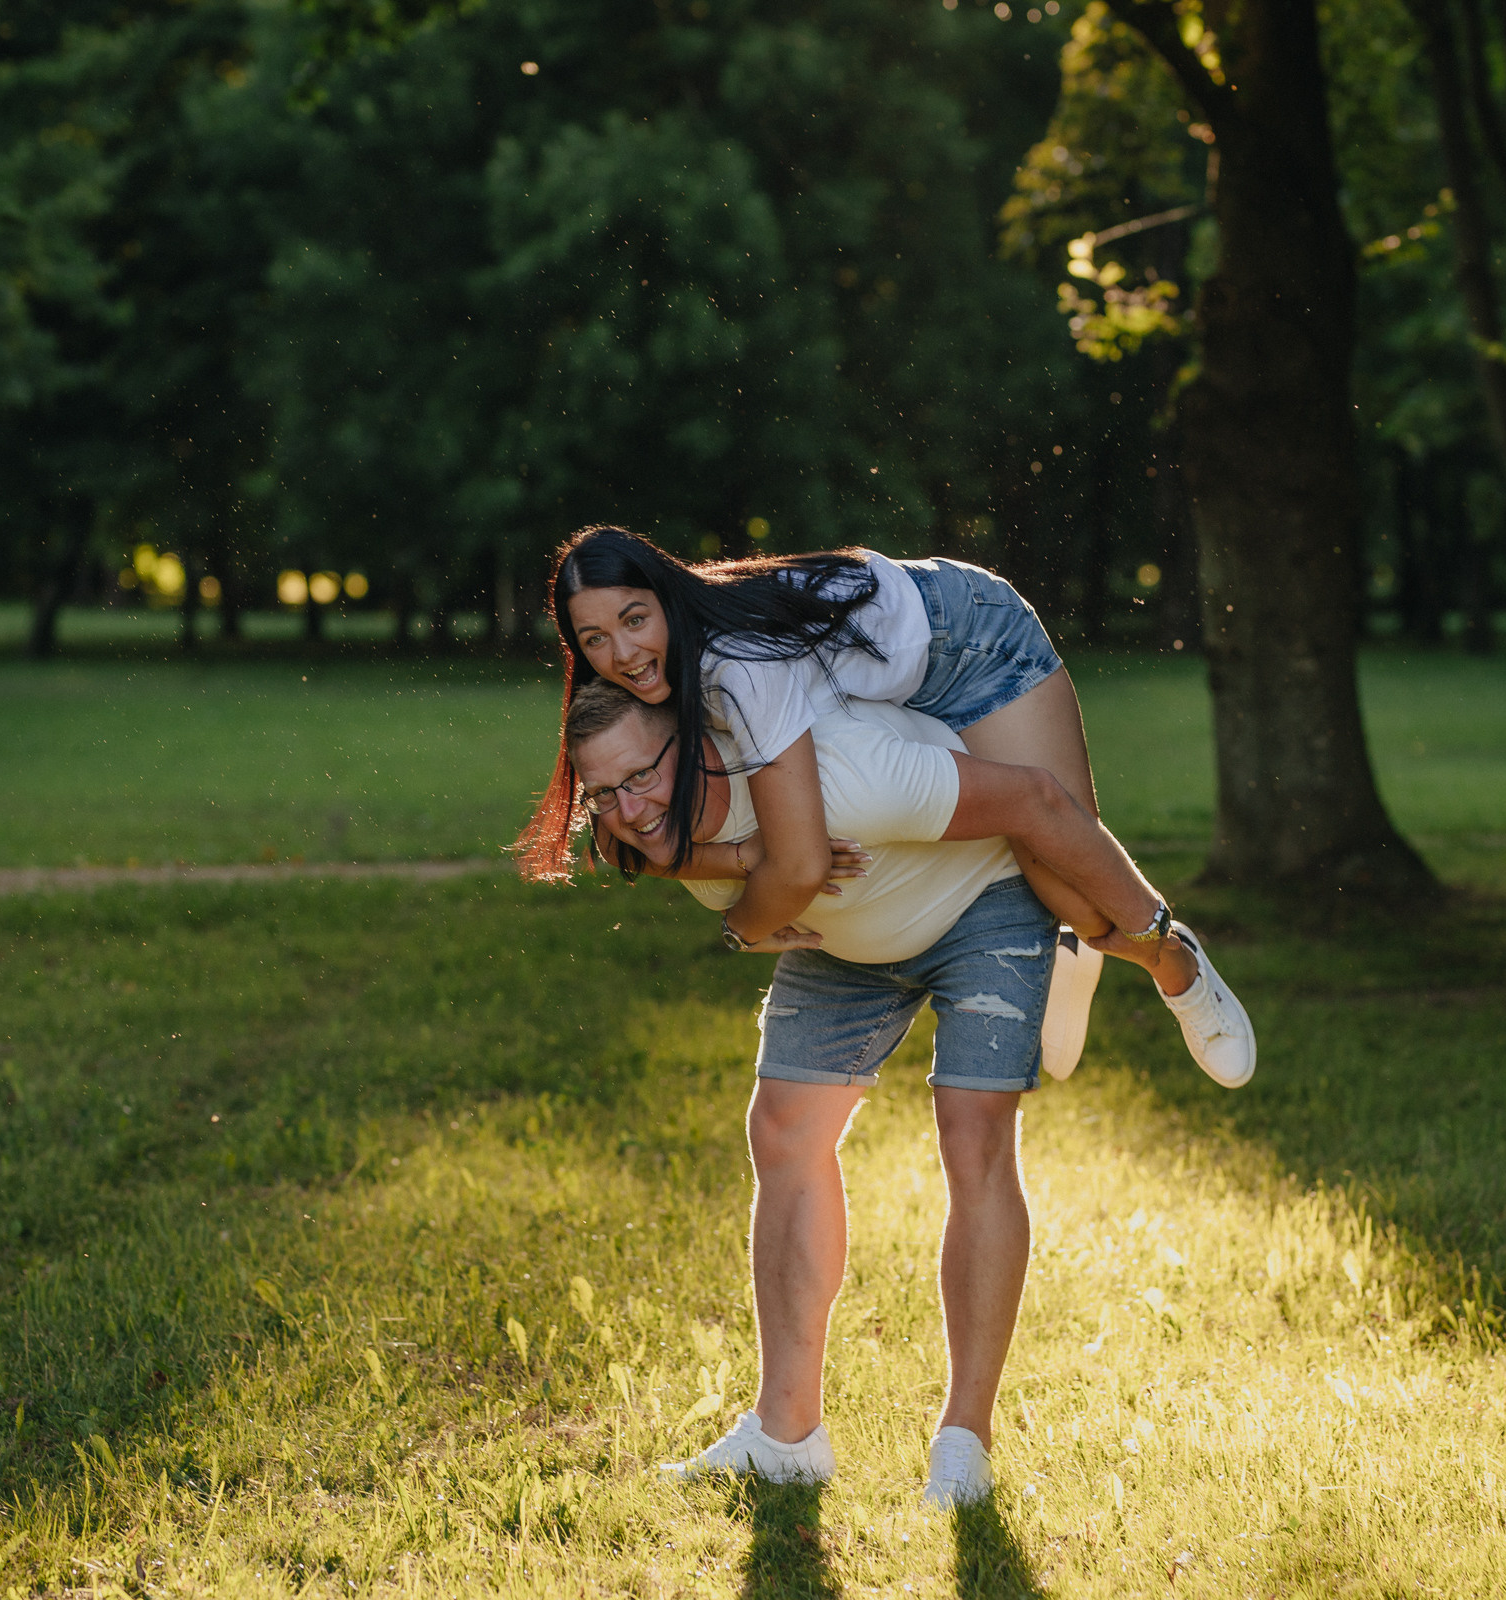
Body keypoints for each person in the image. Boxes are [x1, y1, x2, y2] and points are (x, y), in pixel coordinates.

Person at [560, 676, 1217, 1505]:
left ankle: (964, 1439)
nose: (629, 807)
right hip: (846, 937)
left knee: (971, 1135)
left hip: (980, 898)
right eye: (603, 792)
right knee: (784, 1129)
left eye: (641, 778)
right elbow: (640, 840)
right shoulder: (633, 829)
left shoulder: (846, 772)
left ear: (696, 745)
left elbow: (1024, 801)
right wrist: (752, 892)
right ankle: (785, 1434)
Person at [512, 525, 1254, 1085]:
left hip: (971, 642)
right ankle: (1077, 941)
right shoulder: (642, 692)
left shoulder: (733, 662)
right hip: (894, 690)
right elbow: (625, 839)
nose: (622, 653)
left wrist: (742, 927)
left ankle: (1173, 960)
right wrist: (737, 860)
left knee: (1069, 879)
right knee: (1058, 887)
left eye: (634, 620)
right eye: (594, 638)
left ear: (666, 595)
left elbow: (800, 864)